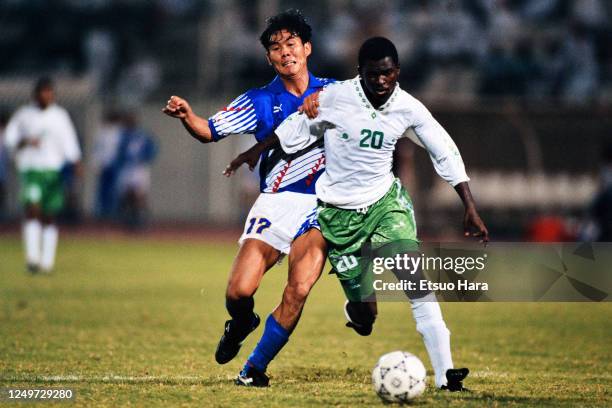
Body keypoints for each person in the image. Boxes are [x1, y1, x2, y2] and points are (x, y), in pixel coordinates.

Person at [227, 37, 488, 391]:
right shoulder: (334, 99)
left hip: (385, 206)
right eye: (373, 75)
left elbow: (444, 151)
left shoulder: (409, 108)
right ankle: (356, 315)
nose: (381, 82)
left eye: (388, 74)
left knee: (415, 281)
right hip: (337, 217)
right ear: (359, 74)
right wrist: (254, 151)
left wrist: (469, 206)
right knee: (366, 314)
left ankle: (446, 377)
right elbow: (293, 129)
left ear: (397, 72)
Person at [162, 10, 333, 386]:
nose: (285, 52)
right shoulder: (258, 100)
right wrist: (188, 115)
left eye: (291, 44)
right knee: (239, 291)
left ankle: (254, 368)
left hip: (323, 206)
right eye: (276, 47)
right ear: (269, 57)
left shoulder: (336, 91)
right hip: (275, 202)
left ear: (307, 48)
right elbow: (209, 130)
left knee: (299, 288)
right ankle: (241, 322)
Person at [4, 77, 82, 273]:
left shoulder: (60, 116)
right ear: (35, 94)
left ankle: (47, 263)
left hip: (53, 171)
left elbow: (69, 141)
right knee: (32, 210)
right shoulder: (24, 115)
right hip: (31, 170)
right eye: (42, 92)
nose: (46, 96)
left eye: (49, 92)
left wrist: (75, 161)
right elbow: (9, 138)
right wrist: (24, 141)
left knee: (49, 216)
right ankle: (32, 259)